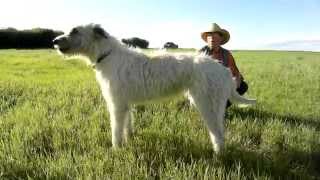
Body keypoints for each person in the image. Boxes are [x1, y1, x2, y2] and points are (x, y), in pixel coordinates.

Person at [199, 23, 248, 107]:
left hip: (221, 85)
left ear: (221, 38)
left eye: (215, 35)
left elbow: (236, 72)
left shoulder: (226, 54)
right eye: (209, 36)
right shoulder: (200, 53)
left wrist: (237, 80)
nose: (211, 38)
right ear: (206, 39)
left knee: (243, 86)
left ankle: (221, 107)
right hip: (205, 87)